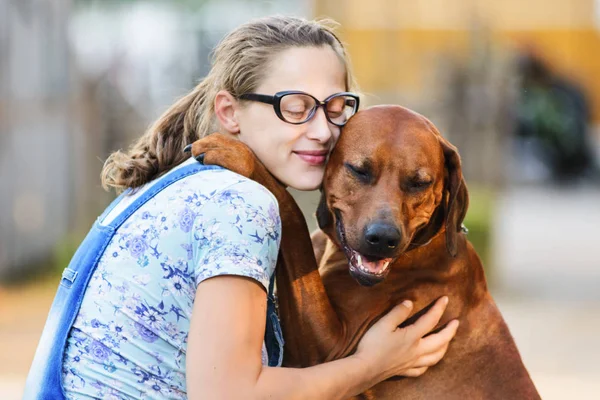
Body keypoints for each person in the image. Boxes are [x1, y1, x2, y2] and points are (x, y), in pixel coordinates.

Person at [24, 16, 459, 399]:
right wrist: (373, 365)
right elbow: (229, 395)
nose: (324, 131)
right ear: (230, 113)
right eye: (296, 107)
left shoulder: (186, 180)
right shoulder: (240, 204)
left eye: (335, 108)